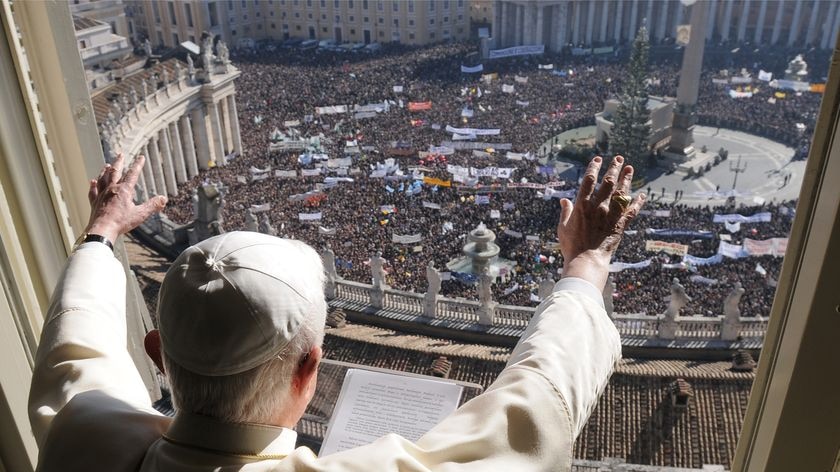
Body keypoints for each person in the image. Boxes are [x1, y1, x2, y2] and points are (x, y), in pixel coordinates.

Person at [29, 153, 644, 471]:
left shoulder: (84, 441)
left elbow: (76, 348)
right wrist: (587, 261)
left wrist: (100, 233)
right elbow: (534, 413)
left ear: (157, 355)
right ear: (308, 370)